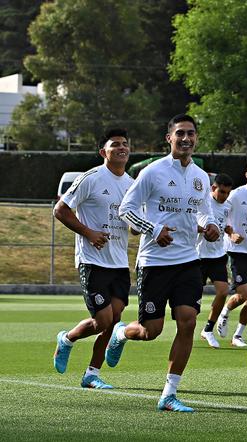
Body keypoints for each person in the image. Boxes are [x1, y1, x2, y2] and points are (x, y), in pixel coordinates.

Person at [112, 114, 220, 412]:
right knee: (152, 331)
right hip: (154, 263)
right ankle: (122, 333)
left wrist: (210, 226)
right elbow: (125, 209)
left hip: (189, 261)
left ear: (196, 138)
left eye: (191, 134)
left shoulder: (200, 177)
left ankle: (169, 393)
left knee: (187, 321)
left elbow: (204, 212)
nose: (186, 139)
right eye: (180, 134)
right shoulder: (152, 172)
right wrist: (153, 229)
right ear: (169, 138)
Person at [52, 129, 134, 389]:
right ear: (104, 152)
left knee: (115, 317)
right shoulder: (91, 178)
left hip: (120, 262)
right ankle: (67, 339)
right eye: (115, 145)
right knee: (103, 321)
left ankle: (91, 374)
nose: (121, 148)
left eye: (125, 144)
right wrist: (88, 233)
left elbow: (133, 223)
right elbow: (61, 209)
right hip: (93, 261)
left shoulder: (131, 184)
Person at [215, 162, 247, 347]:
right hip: (237, 251)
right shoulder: (236, 195)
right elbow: (221, 216)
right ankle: (224, 313)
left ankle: (237, 335)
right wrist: (231, 233)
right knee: (244, 294)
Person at [197, 173, 233, 349]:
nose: (224, 196)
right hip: (198, 255)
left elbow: (223, 224)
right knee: (192, 298)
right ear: (213, 188)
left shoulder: (227, 206)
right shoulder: (203, 203)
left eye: (227, 192)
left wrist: (228, 230)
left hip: (218, 255)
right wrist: (203, 229)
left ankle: (208, 329)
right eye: (222, 192)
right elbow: (192, 222)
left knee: (223, 290)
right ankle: (183, 329)